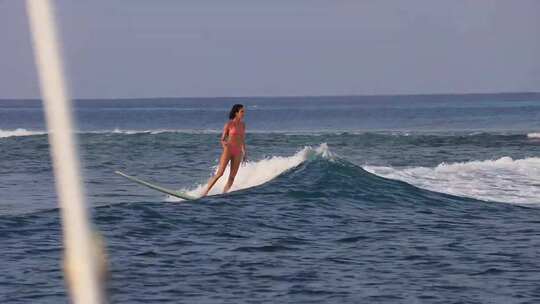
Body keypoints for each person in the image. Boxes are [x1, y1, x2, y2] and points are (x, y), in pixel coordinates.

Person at [202, 104, 247, 196]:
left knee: (232, 177)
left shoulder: (243, 125)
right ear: (236, 113)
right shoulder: (229, 124)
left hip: (238, 152)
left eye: (244, 111)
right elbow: (222, 139)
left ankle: (224, 195)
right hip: (228, 150)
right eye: (242, 111)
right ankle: (204, 193)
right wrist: (224, 145)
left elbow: (242, 139)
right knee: (220, 174)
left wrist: (245, 152)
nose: (243, 113)